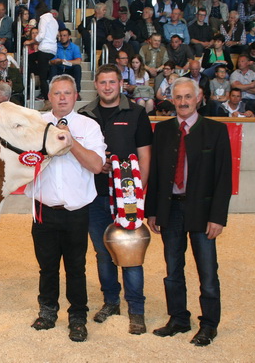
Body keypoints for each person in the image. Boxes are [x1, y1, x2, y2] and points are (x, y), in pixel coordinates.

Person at [146, 77, 232, 347]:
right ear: (172, 99)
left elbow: (223, 178)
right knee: (173, 270)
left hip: (203, 213)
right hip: (170, 210)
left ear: (198, 98)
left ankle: (209, 324)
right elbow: (157, 175)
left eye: (187, 97)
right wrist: (153, 212)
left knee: (207, 272)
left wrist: (217, 217)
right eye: (178, 97)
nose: (182, 102)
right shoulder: (162, 131)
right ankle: (179, 318)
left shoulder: (216, 131)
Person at [24, 74, 105, 342]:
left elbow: (95, 165)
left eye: (67, 93)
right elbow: (22, 162)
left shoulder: (89, 126)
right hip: (44, 208)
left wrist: (70, 141)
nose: (61, 98)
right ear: (48, 97)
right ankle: (47, 312)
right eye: (56, 93)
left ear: (75, 96)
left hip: (76, 211)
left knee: (76, 267)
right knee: (46, 266)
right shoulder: (35, 124)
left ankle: (78, 317)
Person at [77, 64, 152, 335]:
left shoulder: (137, 113)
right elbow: (81, 156)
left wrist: (138, 195)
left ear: (120, 83)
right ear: (96, 85)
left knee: (130, 252)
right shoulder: (84, 115)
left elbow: (144, 156)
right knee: (102, 252)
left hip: (127, 198)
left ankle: (137, 309)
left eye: (112, 82)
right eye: (102, 83)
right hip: (95, 195)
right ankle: (111, 301)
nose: (107, 87)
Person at [48, 28, 82, 93]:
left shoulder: (75, 47)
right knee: (53, 67)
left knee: (77, 67)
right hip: (59, 68)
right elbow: (50, 61)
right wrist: (55, 61)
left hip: (69, 69)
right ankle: (51, 91)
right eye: (61, 36)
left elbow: (78, 61)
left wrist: (63, 61)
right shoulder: (55, 46)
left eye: (64, 35)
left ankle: (77, 92)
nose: (62, 37)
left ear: (69, 37)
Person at [35, 8, 59, 100]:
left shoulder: (43, 19)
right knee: (32, 59)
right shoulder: (54, 21)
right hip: (52, 50)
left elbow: (41, 35)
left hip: (44, 49)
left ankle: (47, 99)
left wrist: (33, 40)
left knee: (43, 78)